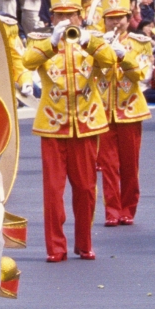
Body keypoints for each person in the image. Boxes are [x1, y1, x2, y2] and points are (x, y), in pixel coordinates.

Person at [21, 21, 104, 262]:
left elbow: (109, 60)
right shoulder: (42, 41)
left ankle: (84, 243)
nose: (66, 19)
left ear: (79, 15)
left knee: (86, 189)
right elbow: (28, 62)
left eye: (71, 14)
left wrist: (90, 41)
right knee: (53, 192)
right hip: (53, 126)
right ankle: (56, 247)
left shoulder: (92, 39)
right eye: (60, 13)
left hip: (84, 125)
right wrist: (52, 42)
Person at [91, 0, 151, 225]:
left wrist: (123, 56)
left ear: (128, 18)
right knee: (108, 166)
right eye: (111, 18)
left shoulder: (140, 43)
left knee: (129, 165)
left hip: (131, 111)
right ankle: (112, 211)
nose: (116, 22)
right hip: (103, 112)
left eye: (120, 17)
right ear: (104, 20)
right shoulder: (95, 44)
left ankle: (128, 208)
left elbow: (142, 74)